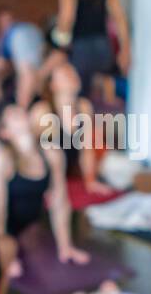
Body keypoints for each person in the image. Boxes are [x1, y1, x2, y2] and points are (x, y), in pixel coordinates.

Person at [0, 104, 88, 275]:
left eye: (21, 112)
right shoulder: (0, 161)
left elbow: (60, 202)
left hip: (25, 227)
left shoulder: (52, 154)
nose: (19, 113)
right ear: (5, 132)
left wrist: (65, 247)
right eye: (11, 115)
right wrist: (3, 255)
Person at [54, 0, 130, 96]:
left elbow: (67, 17)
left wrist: (60, 43)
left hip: (81, 48)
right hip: (104, 49)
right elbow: (120, 19)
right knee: (99, 93)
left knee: (78, 95)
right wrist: (125, 50)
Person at [38, 60, 113, 195]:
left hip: (71, 172)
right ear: (53, 85)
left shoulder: (84, 106)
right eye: (66, 74)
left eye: (73, 72)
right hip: (46, 178)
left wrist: (90, 181)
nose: (72, 75)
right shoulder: (42, 111)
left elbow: (87, 150)